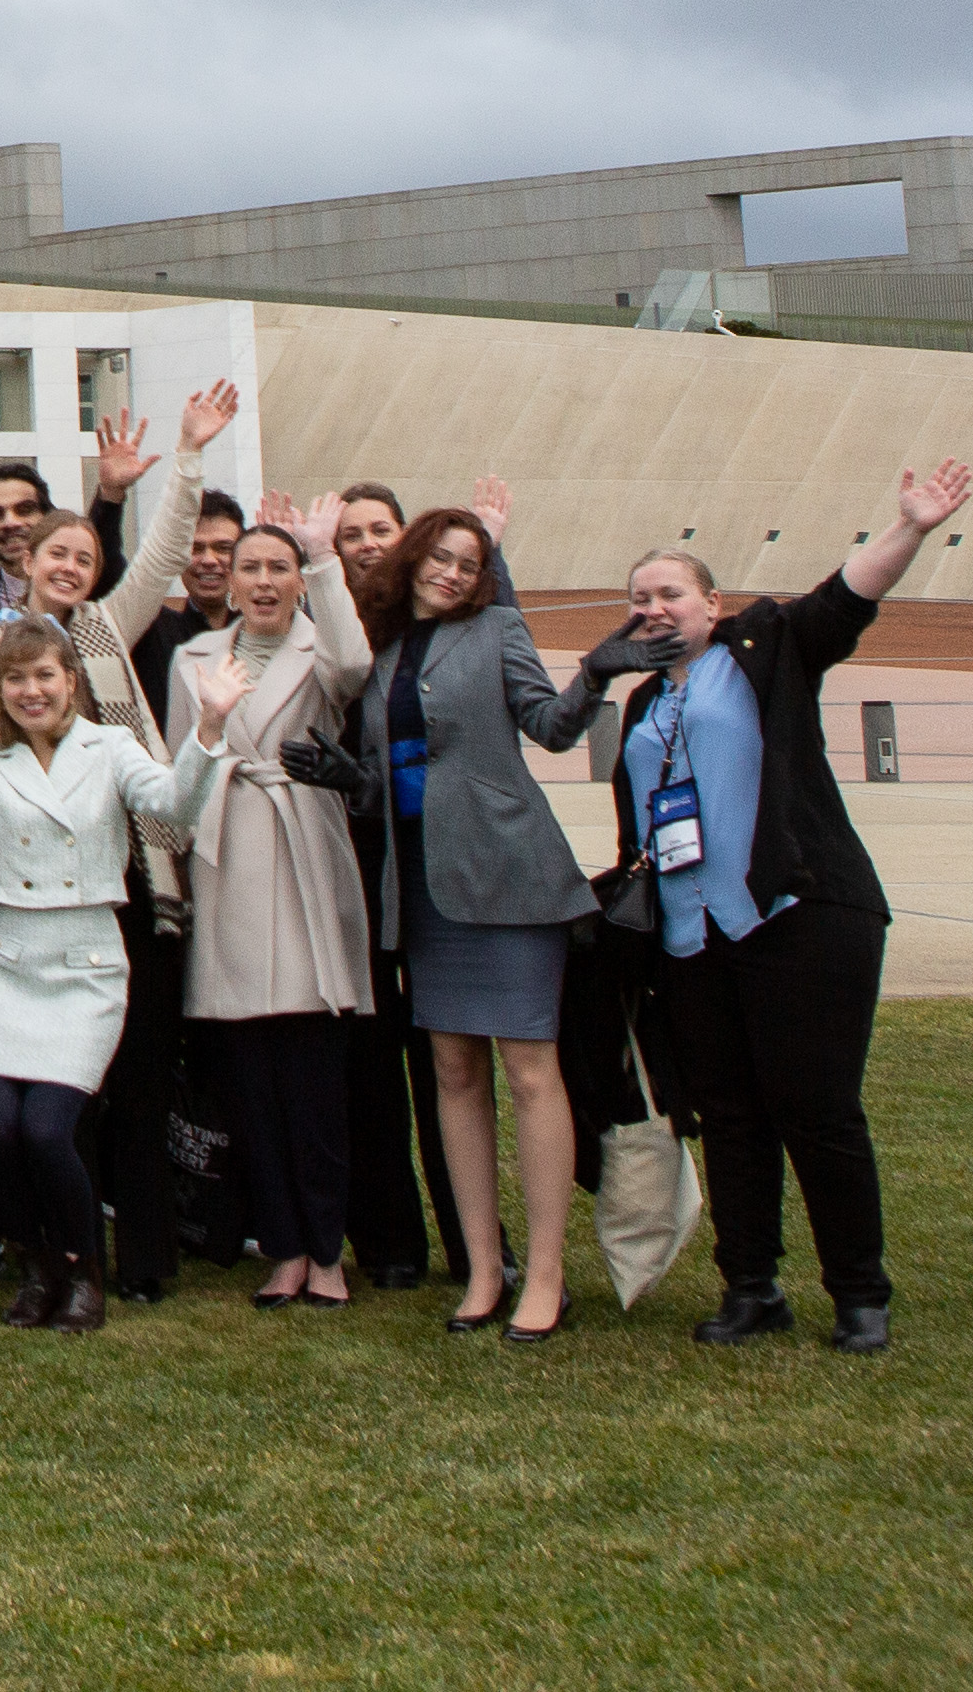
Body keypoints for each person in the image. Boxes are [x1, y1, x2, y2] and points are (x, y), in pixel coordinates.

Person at [598, 462, 973, 1356]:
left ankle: (858, 1292)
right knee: (729, 1113)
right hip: (694, 939)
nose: (654, 608)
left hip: (797, 916)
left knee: (817, 1107)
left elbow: (843, 600)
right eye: (639, 597)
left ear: (711, 602)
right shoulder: (646, 699)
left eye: (670, 594)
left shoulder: (764, 650)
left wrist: (912, 527)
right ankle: (752, 1286)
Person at [0, 618, 250, 1332]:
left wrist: (209, 726)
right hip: (0, 962)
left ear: (72, 680)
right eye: (15, 678)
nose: (31, 690)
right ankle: (37, 1262)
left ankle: (82, 1267)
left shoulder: (110, 747)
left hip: (84, 962)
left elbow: (174, 803)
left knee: (47, 1131)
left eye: (44, 675)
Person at [352, 504, 606, 1340]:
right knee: (454, 1073)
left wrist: (597, 672)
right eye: (443, 556)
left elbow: (552, 727)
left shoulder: (498, 628)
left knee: (531, 1073)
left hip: (508, 878)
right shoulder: (384, 651)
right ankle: (484, 1268)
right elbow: (386, 773)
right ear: (415, 557)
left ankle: (547, 1274)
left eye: (471, 562)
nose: (454, 572)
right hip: (424, 888)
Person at [166, 518, 376, 1309]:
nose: (260, 580)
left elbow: (355, 664)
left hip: (302, 856)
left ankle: (329, 1252)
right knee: (250, 1087)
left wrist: (326, 561)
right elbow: (181, 770)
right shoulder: (193, 658)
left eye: (277, 567)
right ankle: (283, 1247)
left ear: (296, 579)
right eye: (247, 565)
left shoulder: (320, 650)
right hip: (226, 863)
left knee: (315, 1086)